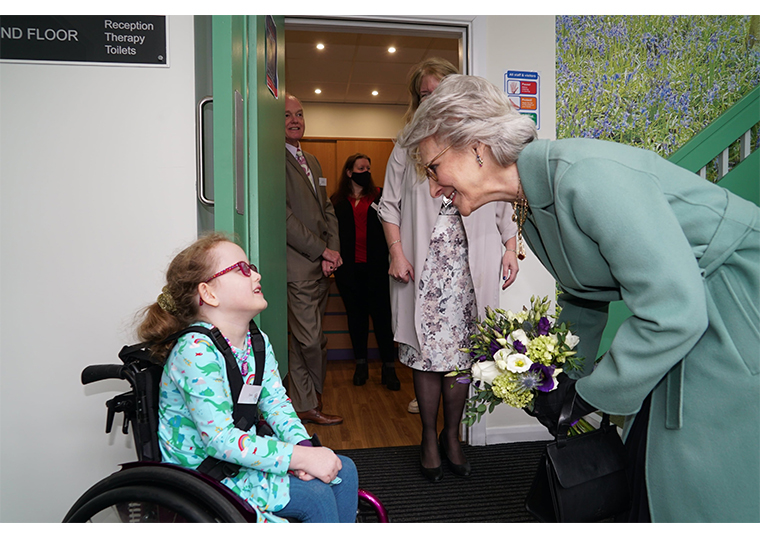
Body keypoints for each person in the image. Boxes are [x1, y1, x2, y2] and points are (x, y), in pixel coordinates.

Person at [399, 74, 760, 522]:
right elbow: (583, 296)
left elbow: (673, 311)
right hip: (692, 307)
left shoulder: (583, 175)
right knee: (654, 461)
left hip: (737, 295)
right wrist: (561, 380)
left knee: (698, 468)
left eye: (432, 168)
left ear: (475, 144)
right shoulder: (527, 200)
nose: (433, 188)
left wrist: (587, 395)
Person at [138, 233, 358, 523]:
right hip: (207, 477)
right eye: (242, 269)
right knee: (316, 496)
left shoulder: (257, 341)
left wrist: (304, 449)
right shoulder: (194, 351)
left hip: (239, 464)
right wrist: (298, 459)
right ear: (209, 293)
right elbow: (220, 439)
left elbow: (277, 404)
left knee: (345, 469)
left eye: (251, 266)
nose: (257, 274)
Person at [377, 59, 520, 482]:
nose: (435, 100)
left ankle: (452, 436)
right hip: (424, 265)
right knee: (427, 354)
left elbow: (501, 195)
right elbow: (389, 205)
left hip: (469, 264)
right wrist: (396, 252)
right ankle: (427, 437)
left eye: (442, 91)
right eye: (426, 93)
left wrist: (511, 246)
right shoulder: (407, 144)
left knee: (462, 353)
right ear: (417, 99)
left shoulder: (479, 141)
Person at [284, 93, 344, 426]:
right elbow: (284, 217)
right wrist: (321, 250)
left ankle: (304, 404)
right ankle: (311, 396)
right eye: (287, 116)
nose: (295, 120)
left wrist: (331, 251)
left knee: (305, 339)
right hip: (297, 267)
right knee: (310, 341)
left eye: (300, 114)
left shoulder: (314, 161)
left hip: (321, 266)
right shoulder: (273, 160)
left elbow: (328, 211)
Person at [331, 153, 399, 390]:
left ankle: (389, 368)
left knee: (382, 319)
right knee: (356, 319)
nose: (366, 172)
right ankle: (361, 365)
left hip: (378, 269)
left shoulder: (380, 196)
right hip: (348, 271)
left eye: (368, 168)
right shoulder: (337, 201)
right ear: (349, 173)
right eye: (361, 168)